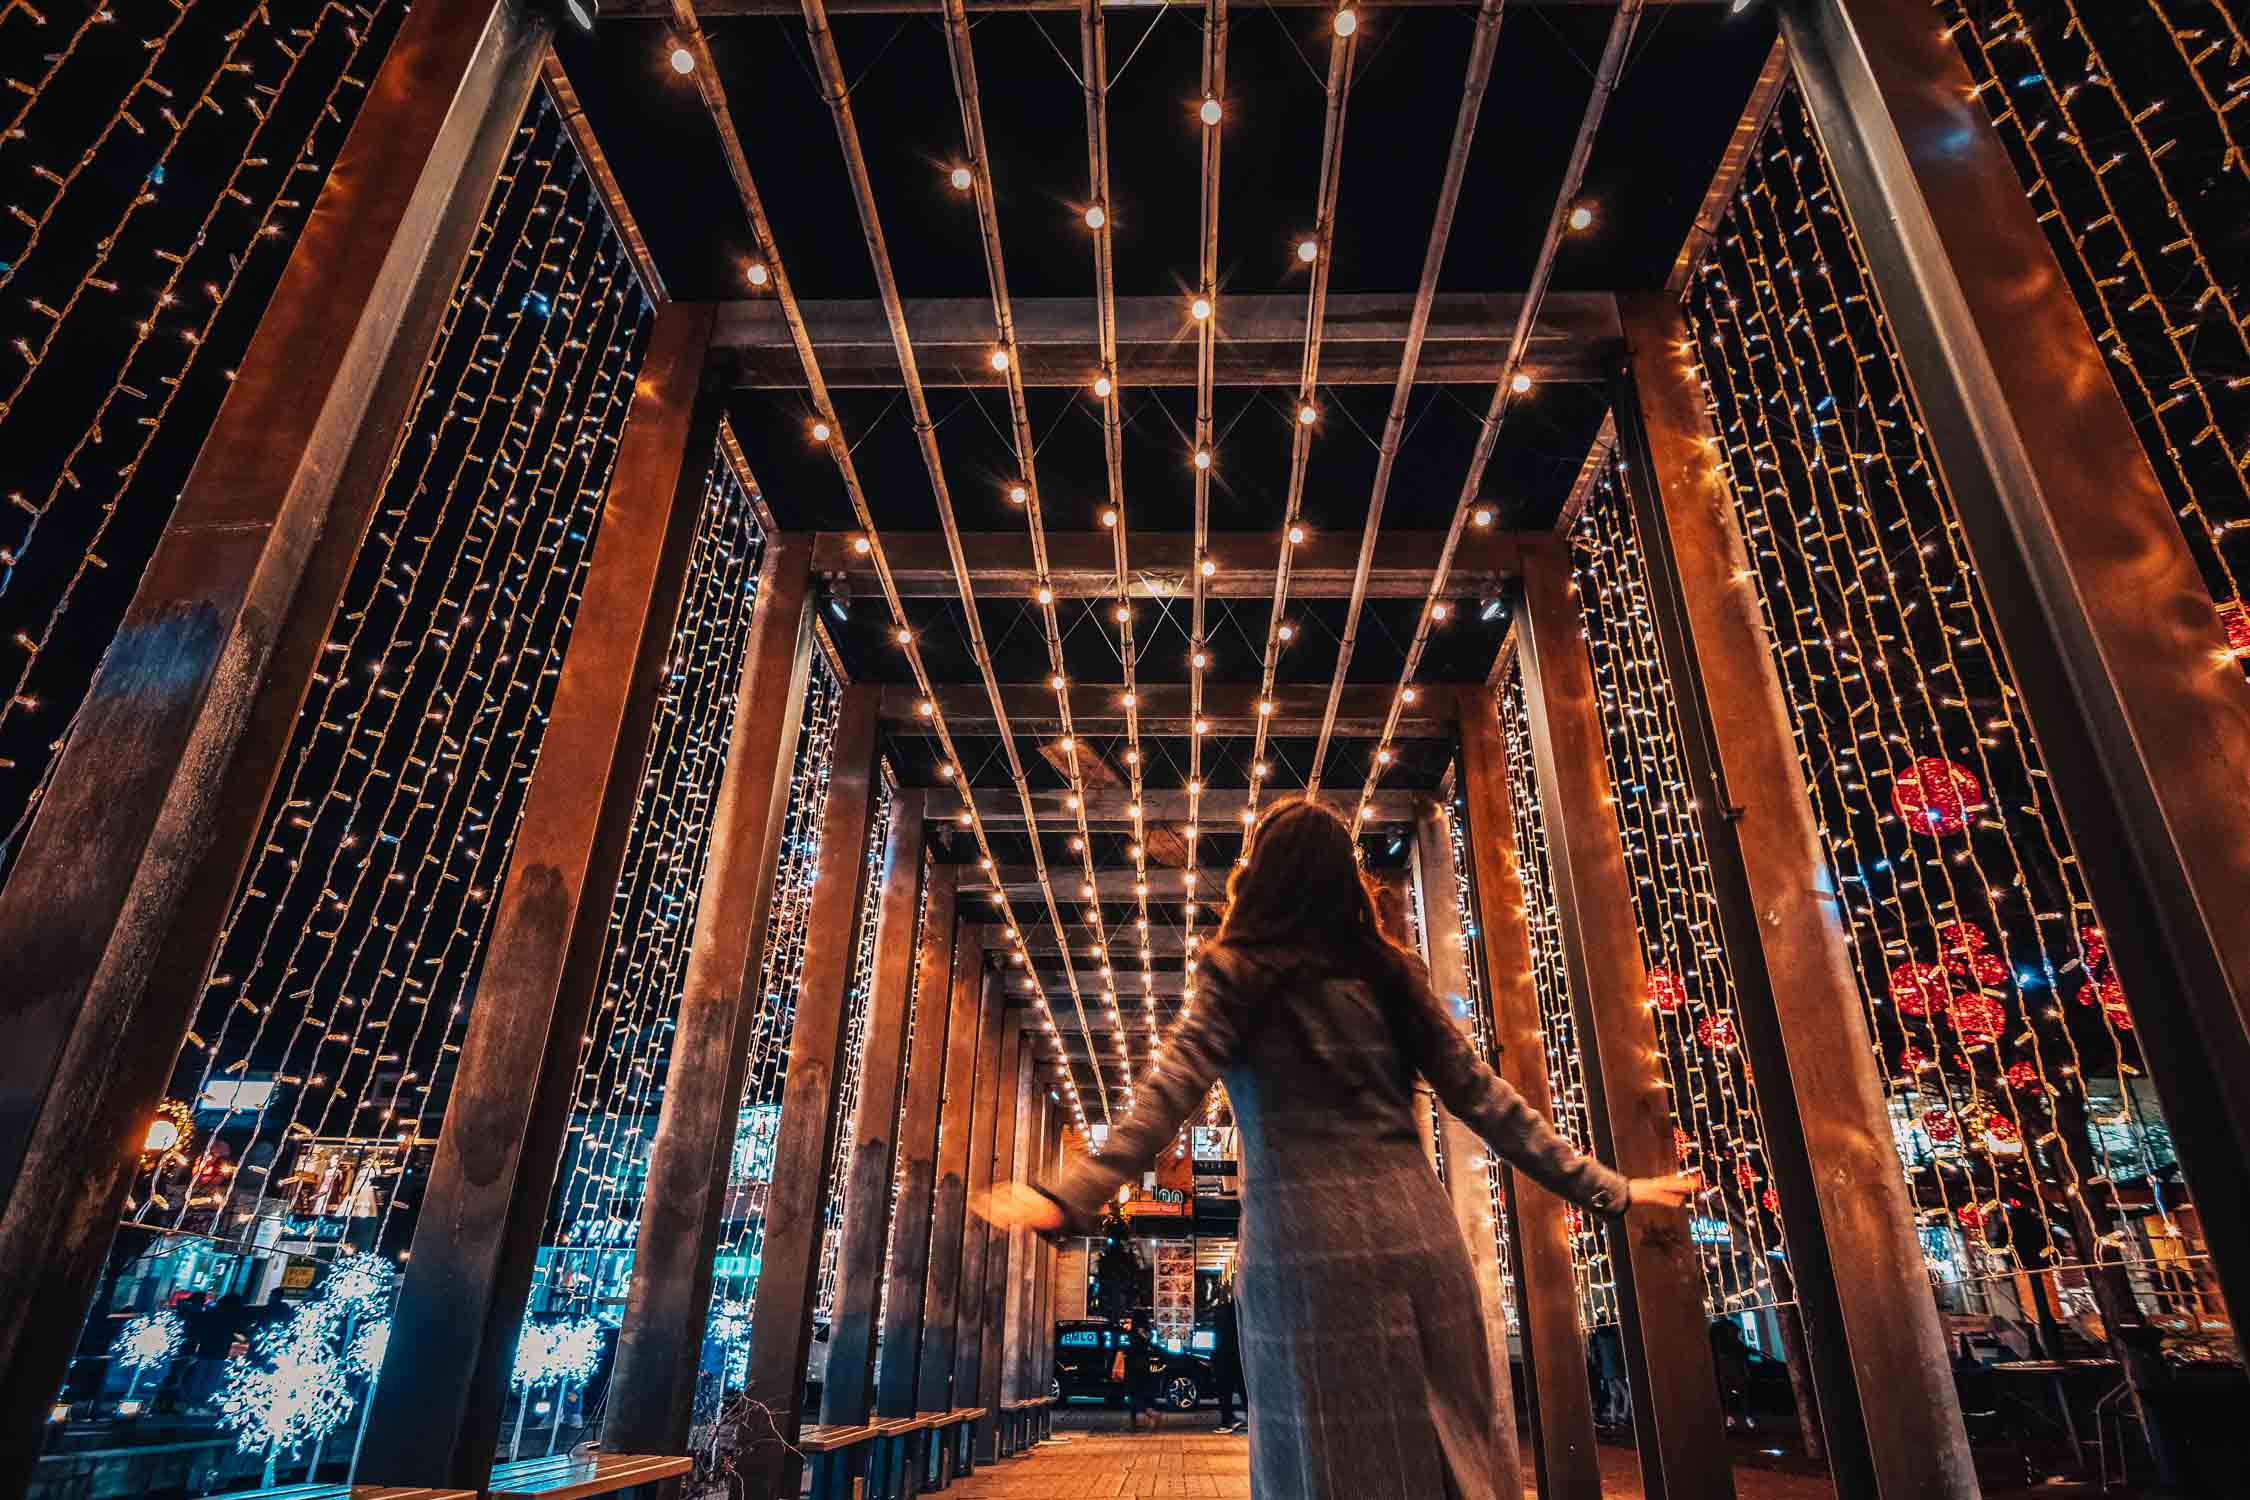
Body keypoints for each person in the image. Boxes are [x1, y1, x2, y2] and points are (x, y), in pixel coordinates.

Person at [980, 797, 1697, 1500]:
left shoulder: (1234, 975)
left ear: (1258, 875)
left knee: (1324, 1456)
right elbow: (1487, 1100)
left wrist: (1068, 1196)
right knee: (1448, 1444)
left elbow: (1164, 1097)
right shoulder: (1390, 975)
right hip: (1419, 1242)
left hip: (1304, 1263)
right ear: (1341, 878)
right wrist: (1611, 1187)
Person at [1113, 1314, 1159, 1432]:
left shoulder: (1133, 1333)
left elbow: (1128, 1347)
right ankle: (1133, 1424)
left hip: (1133, 1366)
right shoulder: (1148, 1333)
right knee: (1139, 1394)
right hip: (1144, 1366)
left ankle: (1151, 1414)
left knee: (1133, 1395)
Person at [1211, 1283, 1246, 1434]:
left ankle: (1227, 1421)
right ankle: (1247, 1418)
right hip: (1237, 1355)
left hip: (1224, 1357)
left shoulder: (1220, 1311)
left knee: (1224, 1392)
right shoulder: (1238, 1312)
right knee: (1243, 1390)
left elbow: (1218, 1335)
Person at [1708, 1317, 1753, 1431]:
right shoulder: (1729, 1326)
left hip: (1724, 1364)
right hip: (1734, 1363)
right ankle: (1746, 1417)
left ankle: (1730, 1417)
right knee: (1741, 1390)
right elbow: (1739, 1344)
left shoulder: (1715, 1329)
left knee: (1727, 1392)